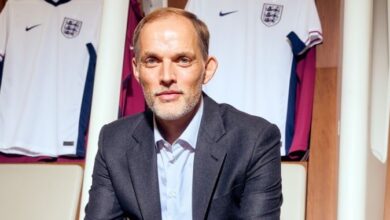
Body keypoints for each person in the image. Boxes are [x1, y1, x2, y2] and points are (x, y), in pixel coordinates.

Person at [85, 7, 282, 220]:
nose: (167, 76)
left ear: (207, 69)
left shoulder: (254, 140)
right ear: (136, 69)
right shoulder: (114, 141)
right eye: (152, 60)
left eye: (183, 60)